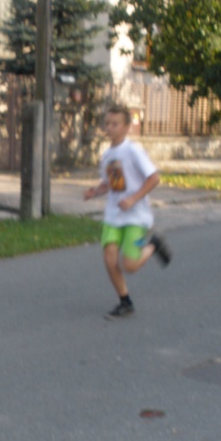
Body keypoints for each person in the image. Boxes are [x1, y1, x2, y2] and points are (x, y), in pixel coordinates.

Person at [83, 104, 171, 319]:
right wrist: (96, 191)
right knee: (109, 258)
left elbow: (154, 178)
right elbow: (110, 182)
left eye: (115, 124)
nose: (109, 128)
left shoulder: (133, 150)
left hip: (136, 216)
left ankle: (153, 245)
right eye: (107, 123)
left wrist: (133, 198)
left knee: (130, 265)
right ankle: (125, 301)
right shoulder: (106, 155)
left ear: (126, 127)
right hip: (113, 215)